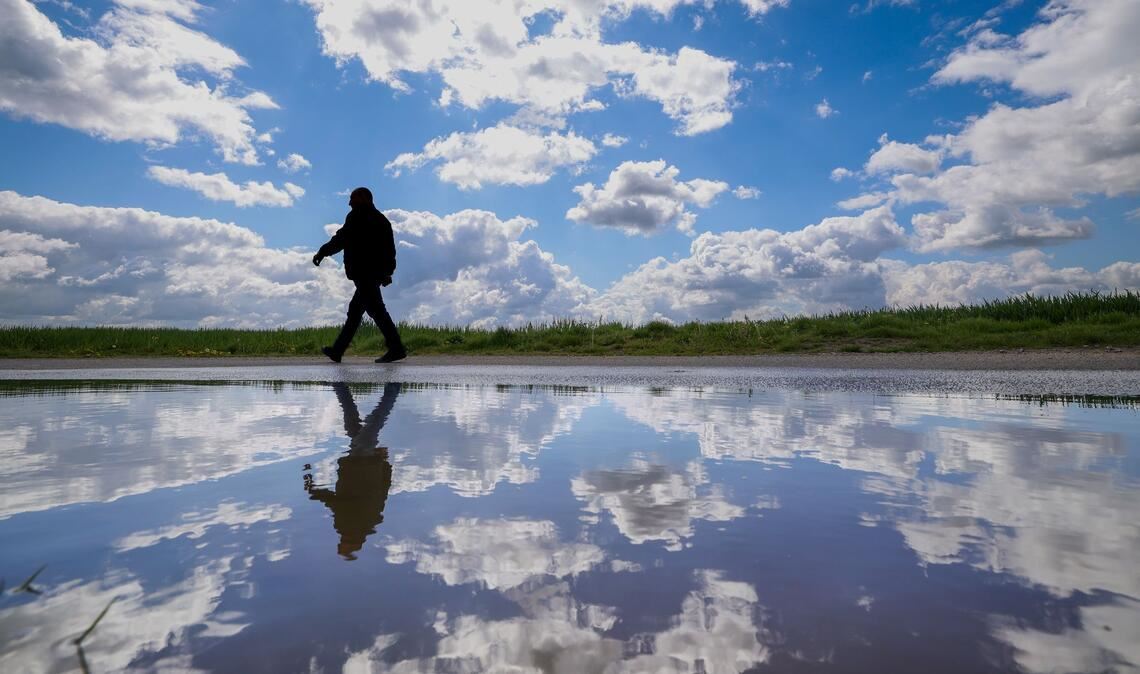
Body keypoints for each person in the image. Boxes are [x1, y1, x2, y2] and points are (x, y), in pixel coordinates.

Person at [304, 382, 400, 560]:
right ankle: (393, 388)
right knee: (375, 422)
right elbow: (338, 503)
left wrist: (384, 465)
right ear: (355, 543)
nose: (340, 542)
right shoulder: (353, 524)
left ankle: (340, 386)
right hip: (362, 464)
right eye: (344, 546)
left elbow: (383, 492)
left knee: (352, 424)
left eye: (340, 545)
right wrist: (315, 493)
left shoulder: (368, 522)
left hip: (362, 464)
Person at [313, 187, 407, 363]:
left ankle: (396, 348)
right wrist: (387, 273)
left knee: (376, 310)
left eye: (352, 199)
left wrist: (322, 252)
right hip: (372, 274)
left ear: (364, 198)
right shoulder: (382, 220)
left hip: (365, 273)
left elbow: (342, 238)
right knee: (357, 311)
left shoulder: (357, 216)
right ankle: (338, 350)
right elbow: (390, 251)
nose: (349, 203)